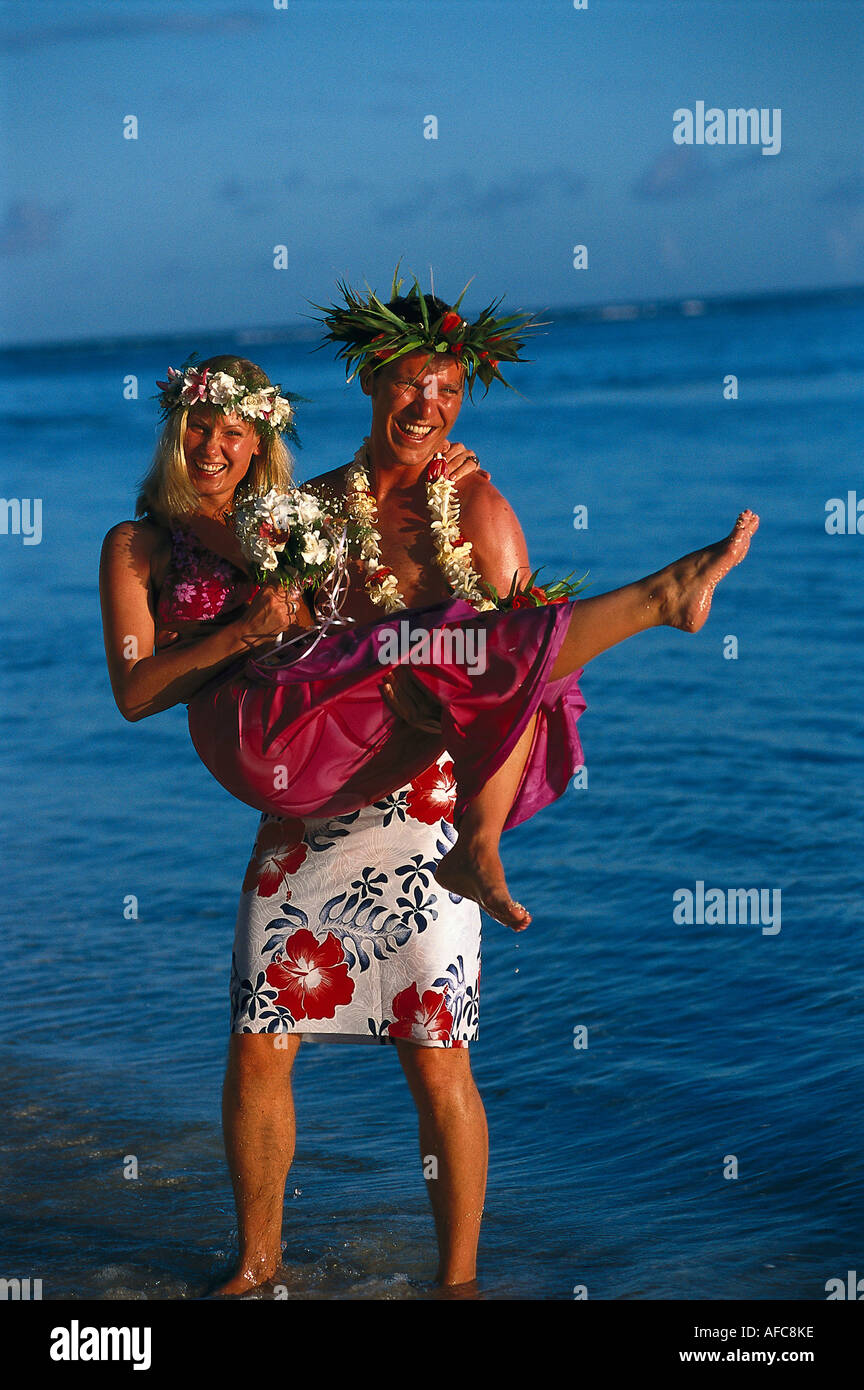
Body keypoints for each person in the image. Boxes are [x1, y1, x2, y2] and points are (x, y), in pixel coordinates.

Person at [99, 276, 758, 1295]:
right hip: (306, 806)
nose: (428, 407)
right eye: (411, 385)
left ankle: (457, 1285)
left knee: (436, 1058)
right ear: (371, 384)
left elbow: (522, 679)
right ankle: (256, 1264)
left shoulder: (481, 511)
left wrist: (483, 825)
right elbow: (245, 610)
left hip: (423, 818)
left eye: (446, 391)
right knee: (261, 1040)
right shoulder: (312, 506)